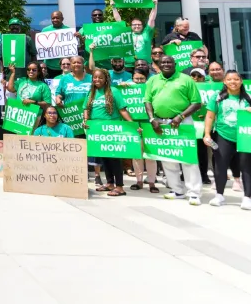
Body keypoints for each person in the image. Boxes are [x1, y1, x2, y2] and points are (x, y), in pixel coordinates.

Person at [144, 55, 203, 205]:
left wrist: (180, 117)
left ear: (174, 64)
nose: (166, 64)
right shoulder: (153, 80)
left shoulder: (186, 79)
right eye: (163, 62)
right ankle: (177, 190)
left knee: (188, 158)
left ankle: (194, 193)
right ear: (159, 64)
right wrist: (152, 119)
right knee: (168, 158)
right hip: (161, 122)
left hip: (182, 122)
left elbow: (196, 102)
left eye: (169, 62)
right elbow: (147, 101)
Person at [84, 68, 137, 197]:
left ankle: (120, 187)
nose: (97, 80)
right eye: (95, 78)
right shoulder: (91, 92)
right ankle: (109, 183)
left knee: (114, 158)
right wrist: (85, 120)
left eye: (100, 78)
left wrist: (132, 125)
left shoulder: (114, 91)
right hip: (97, 130)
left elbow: (122, 110)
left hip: (112, 129)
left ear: (106, 79)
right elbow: (86, 108)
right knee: (104, 157)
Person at [203, 70, 251, 209]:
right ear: (224, 81)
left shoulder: (248, 98)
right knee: (220, 166)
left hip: (244, 136)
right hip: (223, 135)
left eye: (236, 79)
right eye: (229, 79)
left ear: (241, 81)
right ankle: (219, 195)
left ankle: (247, 197)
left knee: (247, 167)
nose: (233, 82)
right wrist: (207, 134)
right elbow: (210, 116)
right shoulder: (217, 97)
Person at [54, 55, 103, 186]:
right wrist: (58, 98)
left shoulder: (91, 78)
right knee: (76, 146)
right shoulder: (65, 79)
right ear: (70, 65)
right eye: (73, 62)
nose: (76, 65)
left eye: (79, 62)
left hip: (91, 116)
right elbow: (59, 93)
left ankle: (97, 175)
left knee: (93, 146)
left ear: (83, 64)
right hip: (72, 118)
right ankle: (80, 171)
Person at [111, 0, 158, 68]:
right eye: (134, 25)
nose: (137, 26)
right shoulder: (127, 34)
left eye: (139, 24)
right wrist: (114, 7)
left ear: (142, 26)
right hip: (128, 66)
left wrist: (155, 5)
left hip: (144, 65)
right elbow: (118, 20)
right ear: (131, 26)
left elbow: (151, 19)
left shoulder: (147, 33)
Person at [41, 11, 72, 77]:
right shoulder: (45, 30)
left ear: (62, 19)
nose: (55, 20)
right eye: (53, 18)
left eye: (57, 18)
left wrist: (78, 37)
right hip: (49, 66)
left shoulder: (69, 30)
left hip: (65, 67)